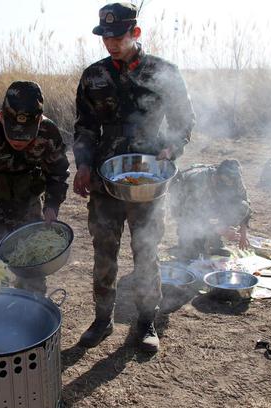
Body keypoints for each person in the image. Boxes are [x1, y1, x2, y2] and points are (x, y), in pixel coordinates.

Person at [73, 3, 195, 351]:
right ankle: (102, 319)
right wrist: (83, 164)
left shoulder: (163, 72)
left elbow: (184, 120)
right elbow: (84, 126)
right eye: (105, 36)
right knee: (104, 253)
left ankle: (145, 323)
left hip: (148, 179)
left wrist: (171, 148)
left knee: (146, 252)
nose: (110, 43)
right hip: (104, 180)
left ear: (135, 33)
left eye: (118, 36)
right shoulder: (93, 76)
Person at [0, 80, 70, 295]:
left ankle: (33, 317)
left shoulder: (48, 132)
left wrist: (52, 206)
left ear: (38, 123)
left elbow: (58, 173)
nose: (19, 140)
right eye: (13, 132)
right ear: (2, 116)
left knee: (34, 274)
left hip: (28, 206)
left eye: (26, 134)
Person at [170, 160, 252, 260]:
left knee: (240, 206)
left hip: (209, 203)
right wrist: (220, 229)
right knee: (193, 253)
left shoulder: (234, 179)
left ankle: (215, 240)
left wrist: (243, 234)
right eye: (223, 184)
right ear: (215, 177)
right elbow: (193, 215)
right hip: (184, 207)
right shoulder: (198, 182)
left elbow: (245, 203)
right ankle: (187, 242)